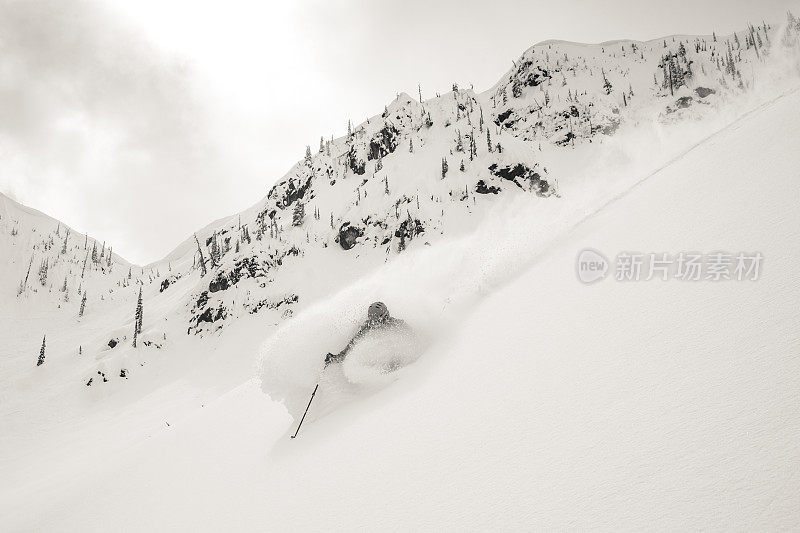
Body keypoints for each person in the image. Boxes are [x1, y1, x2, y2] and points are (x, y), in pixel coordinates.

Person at [325, 302, 410, 366]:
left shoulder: (396, 325)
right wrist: (335, 358)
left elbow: (410, 337)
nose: (375, 324)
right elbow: (352, 345)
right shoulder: (366, 328)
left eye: (378, 321)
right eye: (373, 321)